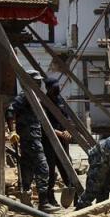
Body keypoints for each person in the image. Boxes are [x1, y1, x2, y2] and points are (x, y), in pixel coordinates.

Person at [5, 70, 58, 213]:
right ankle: (43, 202)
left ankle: (26, 201)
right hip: (30, 139)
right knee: (43, 168)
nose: (39, 83)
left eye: (39, 81)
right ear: (28, 81)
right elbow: (10, 111)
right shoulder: (25, 96)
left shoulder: (33, 97)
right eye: (36, 81)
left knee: (27, 168)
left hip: (32, 137)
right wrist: (13, 131)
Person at [42, 77, 72, 207]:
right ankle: (50, 197)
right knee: (51, 169)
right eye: (54, 88)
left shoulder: (60, 100)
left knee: (67, 166)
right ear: (48, 88)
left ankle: (74, 193)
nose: (57, 89)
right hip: (49, 140)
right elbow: (44, 124)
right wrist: (59, 133)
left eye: (57, 87)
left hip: (63, 139)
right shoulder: (43, 102)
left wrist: (67, 130)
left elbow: (67, 117)